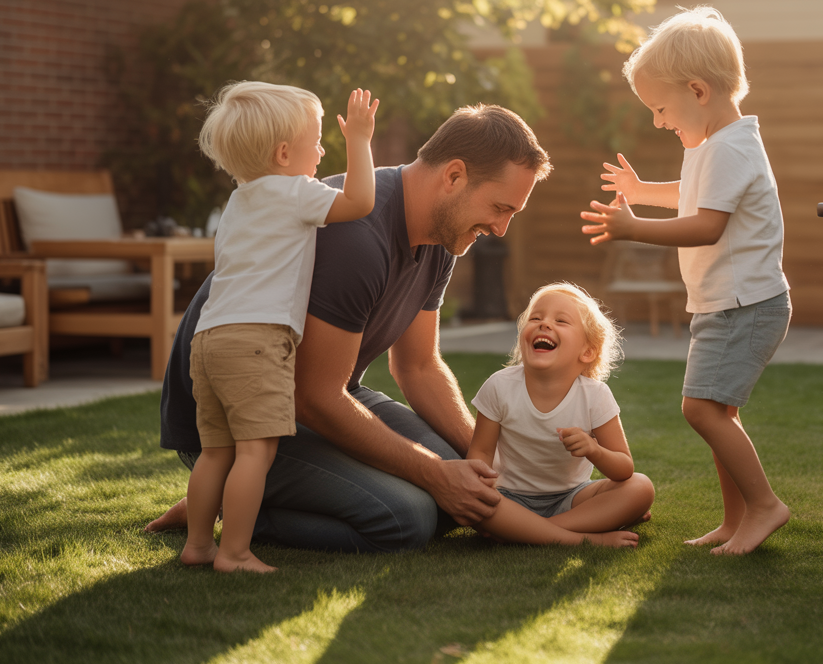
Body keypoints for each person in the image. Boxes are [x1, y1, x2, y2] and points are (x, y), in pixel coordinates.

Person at [146, 104, 552, 554]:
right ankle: (225, 501)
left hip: (322, 394)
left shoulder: (441, 236)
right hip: (240, 414)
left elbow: (418, 366)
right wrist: (434, 475)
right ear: (454, 176)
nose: (500, 228)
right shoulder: (357, 232)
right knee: (410, 517)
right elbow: (313, 396)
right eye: (499, 208)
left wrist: (489, 457)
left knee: (470, 484)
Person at [580, 6, 792, 555]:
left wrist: (633, 228)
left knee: (700, 409)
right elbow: (693, 193)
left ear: (698, 91)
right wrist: (641, 191)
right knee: (719, 413)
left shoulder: (730, 147)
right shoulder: (713, 145)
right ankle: (735, 520)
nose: (658, 121)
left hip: (744, 305)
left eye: (660, 108)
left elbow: (706, 225)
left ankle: (764, 506)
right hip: (727, 303)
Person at [180, 81, 380, 572]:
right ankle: (235, 553)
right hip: (257, 341)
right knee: (256, 453)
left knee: (215, 453)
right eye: (318, 142)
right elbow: (359, 202)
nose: (323, 151)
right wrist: (359, 140)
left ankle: (198, 545)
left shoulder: (238, 202)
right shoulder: (294, 192)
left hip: (209, 338)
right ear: (284, 154)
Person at [467, 282, 654, 548]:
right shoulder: (499, 386)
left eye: (561, 321)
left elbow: (624, 469)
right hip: (509, 498)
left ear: (587, 352)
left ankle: (525, 531)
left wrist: (594, 450)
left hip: (571, 498)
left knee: (640, 487)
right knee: (472, 501)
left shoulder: (595, 395)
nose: (544, 324)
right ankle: (584, 537)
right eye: (535, 318)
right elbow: (481, 453)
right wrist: (480, 491)